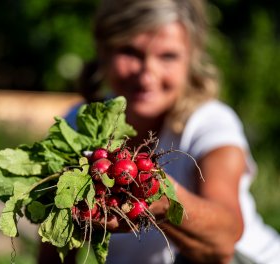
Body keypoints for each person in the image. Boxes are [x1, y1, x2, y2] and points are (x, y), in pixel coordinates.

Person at [38, 0, 280, 263]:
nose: (146, 75)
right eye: (130, 52)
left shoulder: (210, 122)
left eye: (168, 56)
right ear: (104, 51)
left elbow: (225, 239)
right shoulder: (79, 124)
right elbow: (55, 244)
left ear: (191, 58)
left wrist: (165, 200)